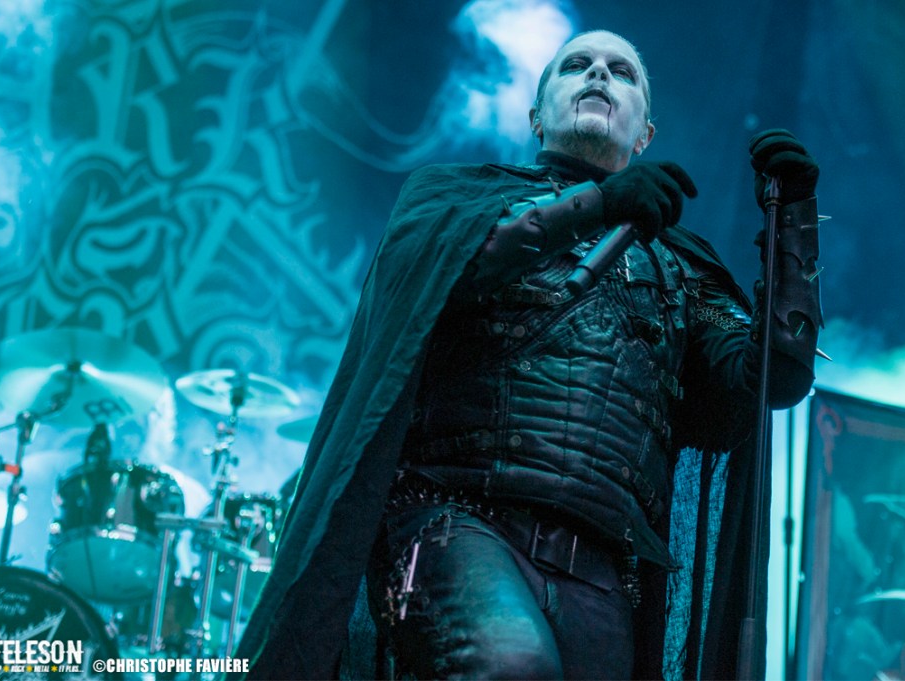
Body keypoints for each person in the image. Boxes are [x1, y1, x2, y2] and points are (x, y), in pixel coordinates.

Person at [233, 29, 822, 680]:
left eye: (621, 72)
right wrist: (599, 205)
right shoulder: (454, 198)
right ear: (537, 116)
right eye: (577, 65)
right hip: (456, 522)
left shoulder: (683, 269)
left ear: (645, 135)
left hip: (606, 571)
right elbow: (450, 273)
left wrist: (793, 226)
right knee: (513, 667)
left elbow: (771, 380)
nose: (598, 75)